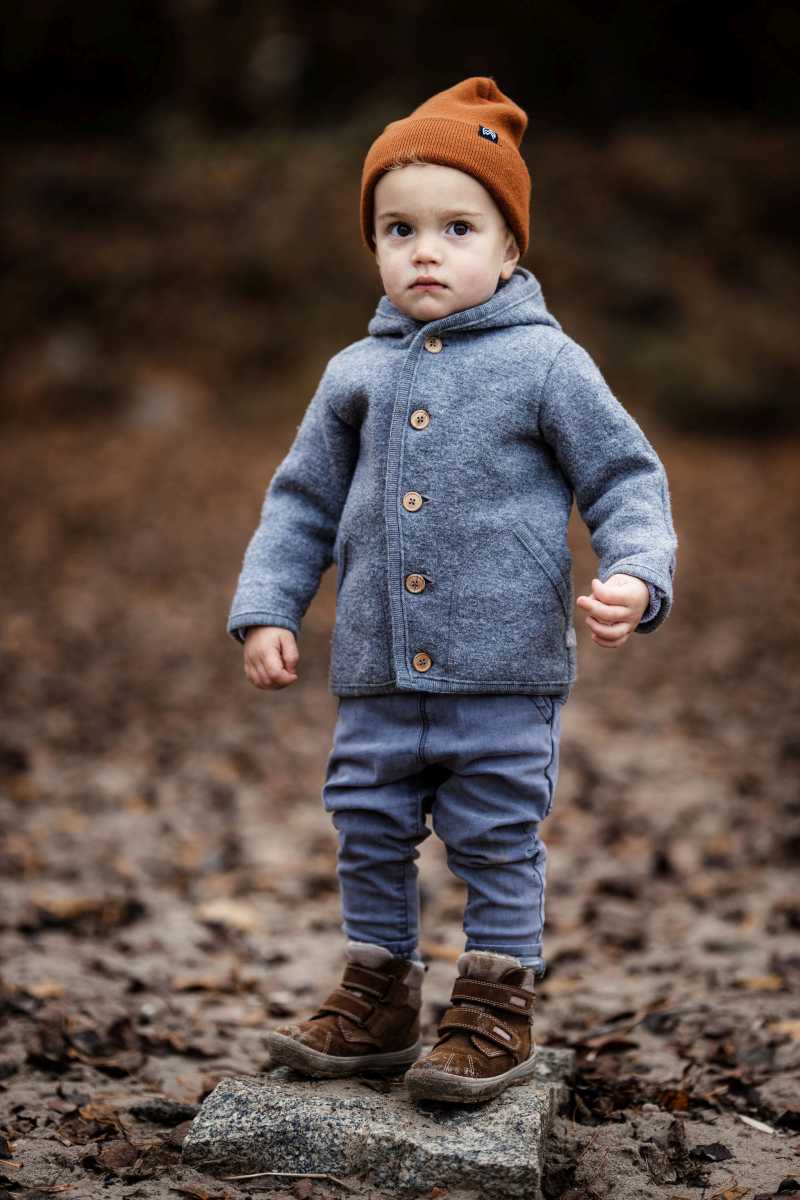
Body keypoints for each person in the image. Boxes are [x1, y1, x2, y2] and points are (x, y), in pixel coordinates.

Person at [227, 77, 678, 1104]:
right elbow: (299, 502)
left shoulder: (546, 365)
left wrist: (637, 574)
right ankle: (378, 990)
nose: (423, 250)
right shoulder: (354, 374)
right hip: (377, 669)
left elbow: (624, 479)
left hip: (505, 671)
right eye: (398, 228)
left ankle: (494, 1002)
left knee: (492, 833)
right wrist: (266, 606)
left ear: (509, 248)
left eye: (456, 227)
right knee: (367, 820)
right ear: (375, 245)